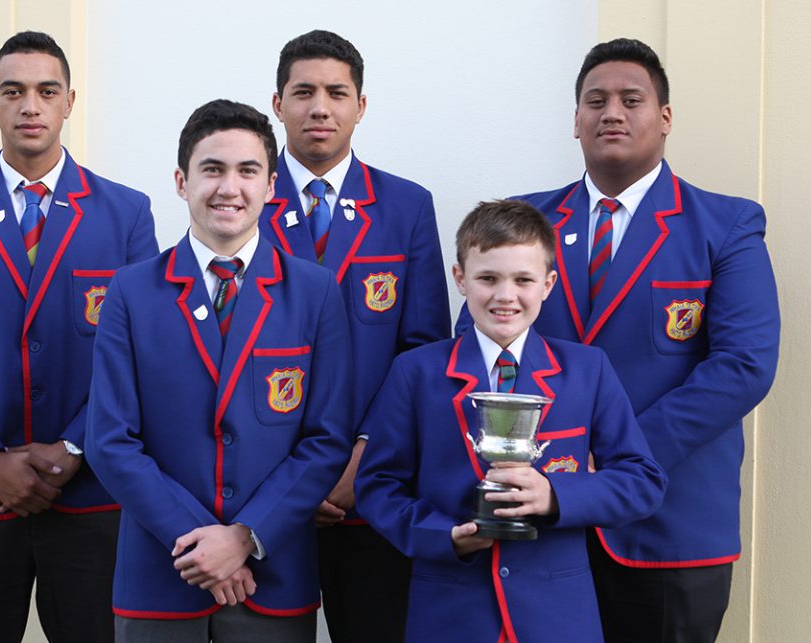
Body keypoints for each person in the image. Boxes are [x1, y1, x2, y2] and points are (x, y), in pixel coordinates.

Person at [459, 38, 781, 642]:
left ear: (664, 117)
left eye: (632, 99)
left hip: (668, 523)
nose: (612, 112)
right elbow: (474, 355)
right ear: (576, 119)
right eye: (595, 100)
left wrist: (611, 457)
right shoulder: (524, 221)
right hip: (538, 521)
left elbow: (744, 366)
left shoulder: (725, 225)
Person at [0, 31, 158, 642]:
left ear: (71, 101)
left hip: (93, 495)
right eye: (13, 92)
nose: (31, 106)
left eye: (47, 91)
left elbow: (139, 359)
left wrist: (73, 449)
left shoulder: (126, 214)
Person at [86, 99, 353, 642]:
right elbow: (111, 440)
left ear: (272, 185)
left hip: (270, 577)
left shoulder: (314, 292)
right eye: (212, 169)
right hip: (162, 573)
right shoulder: (132, 292)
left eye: (247, 170)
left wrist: (245, 538)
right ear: (182, 181)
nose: (229, 188)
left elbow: (326, 440)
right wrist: (197, 539)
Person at [355, 199, 666, 642]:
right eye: (488, 278)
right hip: (451, 617)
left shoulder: (588, 369)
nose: (505, 296)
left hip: (557, 619)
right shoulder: (416, 372)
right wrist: (445, 536)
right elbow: (377, 487)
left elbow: (642, 481)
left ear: (548, 283)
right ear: (460, 279)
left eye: (523, 279)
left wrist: (556, 494)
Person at [261, 30, 451, 641]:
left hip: (371, 488)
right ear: (277, 103)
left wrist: (361, 458)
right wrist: (291, 475)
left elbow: (422, 350)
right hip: (263, 488)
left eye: (336, 93)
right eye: (304, 92)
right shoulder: (241, 200)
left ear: (360, 106)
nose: (320, 107)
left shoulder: (405, 206)